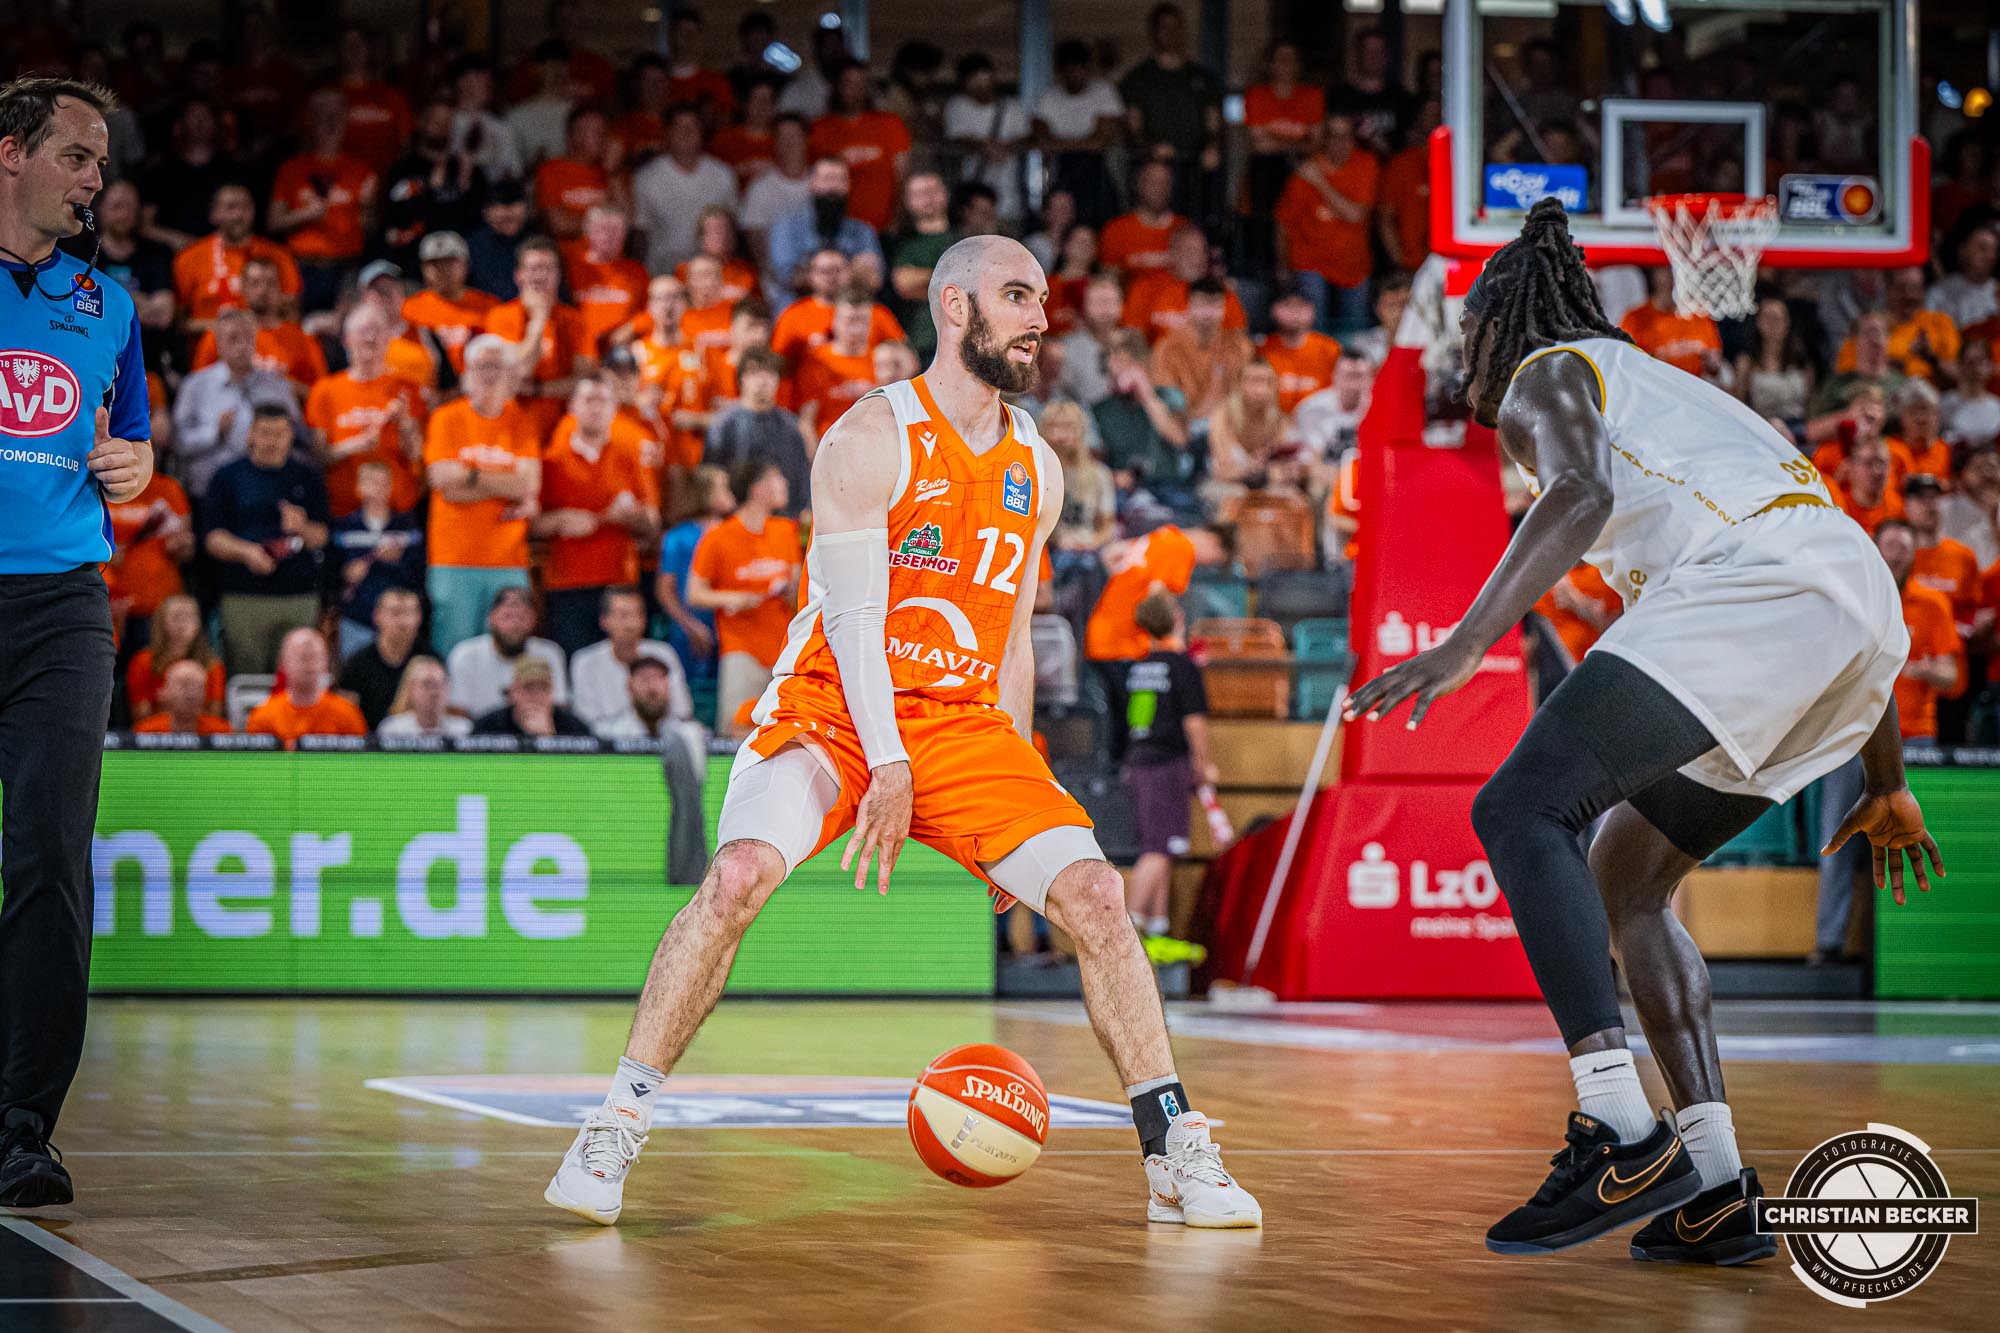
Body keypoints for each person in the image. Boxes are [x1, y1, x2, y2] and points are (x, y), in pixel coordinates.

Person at [545, 233, 1260, 1231]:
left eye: (1041, 300)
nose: (1039, 319)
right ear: (955, 308)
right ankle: (615, 1122)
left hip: (960, 723)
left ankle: (1171, 1147)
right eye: (1016, 297)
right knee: (738, 875)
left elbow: (1012, 639)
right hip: (837, 707)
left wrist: (1012, 781)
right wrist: (886, 762)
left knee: (1097, 895)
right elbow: (850, 623)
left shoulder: (1038, 466)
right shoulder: (868, 437)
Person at [1344, 198, 1942, 1262]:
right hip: (1846, 608)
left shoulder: (1546, 373)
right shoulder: (1682, 402)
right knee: (1628, 878)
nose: (1465, 360)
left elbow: (1577, 491)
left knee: (1521, 807)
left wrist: (1465, 642)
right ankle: (1715, 1186)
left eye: (1468, 334)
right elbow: (1838, 603)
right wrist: (1884, 778)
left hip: (1754, 590)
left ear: (1499, 327)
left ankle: (1618, 1124)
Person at [423, 333, 543, 653]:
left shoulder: (522, 421)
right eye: (482, 366)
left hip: (509, 560)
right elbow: (445, 486)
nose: (489, 374)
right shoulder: (446, 418)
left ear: (511, 374)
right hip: (454, 558)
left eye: (497, 366)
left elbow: (528, 485)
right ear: (466, 372)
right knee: (454, 651)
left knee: (508, 654)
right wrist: (505, 484)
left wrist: (469, 475)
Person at [535, 376, 663, 655]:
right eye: (588, 400)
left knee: (625, 665)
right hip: (567, 584)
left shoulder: (631, 457)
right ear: (572, 406)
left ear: (614, 408)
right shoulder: (551, 461)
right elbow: (532, 524)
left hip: (620, 583)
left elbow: (653, 524)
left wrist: (631, 518)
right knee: (574, 662)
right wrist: (559, 520)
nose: (595, 408)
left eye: (603, 400)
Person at [201, 405, 331, 676]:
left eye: (280, 433)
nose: (272, 440)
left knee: (295, 676)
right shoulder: (227, 477)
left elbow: (322, 536)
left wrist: (302, 528)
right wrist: (247, 552)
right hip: (244, 595)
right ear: (250, 434)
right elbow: (213, 538)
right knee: (246, 676)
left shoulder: (307, 476)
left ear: (291, 435)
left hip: (298, 594)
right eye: (265, 432)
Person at [1121, 591, 1215, 943]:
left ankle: (1157, 930)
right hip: (1167, 765)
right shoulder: (1182, 667)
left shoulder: (1137, 667)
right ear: (1177, 619)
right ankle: (1127, 933)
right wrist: (1204, 764)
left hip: (1138, 762)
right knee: (1159, 850)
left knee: (1161, 847)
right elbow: (1194, 722)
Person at [585, 617, 708, 885]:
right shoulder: (608, 735)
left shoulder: (691, 736)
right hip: (619, 826)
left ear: (669, 686)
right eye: (643, 679)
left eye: (658, 679)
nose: (652, 687)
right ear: (629, 686)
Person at [687, 460, 801, 735]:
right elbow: (694, 593)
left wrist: (791, 590)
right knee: (735, 729)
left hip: (785, 650)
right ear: (757, 488)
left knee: (784, 730)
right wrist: (736, 598)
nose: (785, 484)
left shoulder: (786, 530)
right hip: (741, 648)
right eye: (777, 478)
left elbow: (799, 590)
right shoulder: (719, 536)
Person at [172, 307, 300, 500]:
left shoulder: (278, 387)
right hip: (209, 491)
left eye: (248, 337)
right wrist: (214, 433)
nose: (242, 346)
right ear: (219, 344)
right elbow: (178, 442)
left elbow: (295, 433)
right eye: (233, 338)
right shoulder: (195, 386)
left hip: (268, 490)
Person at [1275, 112, 1379, 336]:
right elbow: (1283, 224)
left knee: (1356, 333)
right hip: (1311, 262)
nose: (1340, 142)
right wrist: (1282, 265)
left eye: (1346, 136)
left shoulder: (1365, 164)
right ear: (1324, 139)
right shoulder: (1303, 174)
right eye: (1333, 135)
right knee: (1312, 332)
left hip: (1352, 262)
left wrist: (1319, 181)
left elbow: (1355, 214)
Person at [326, 459, 423, 656]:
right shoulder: (344, 528)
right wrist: (346, 573)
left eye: (383, 483)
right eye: (372, 482)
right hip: (357, 618)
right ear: (359, 487)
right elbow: (330, 571)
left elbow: (419, 573)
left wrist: (398, 561)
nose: (378, 489)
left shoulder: (407, 527)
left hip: (398, 620)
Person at [631, 105, 738, 274]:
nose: (686, 132)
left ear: (702, 133)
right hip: (662, 271)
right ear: (667, 134)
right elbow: (640, 231)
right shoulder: (646, 177)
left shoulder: (723, 175)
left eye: (692, 126)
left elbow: (732, 229)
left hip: (711, 273)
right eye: (679, 126)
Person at [704, 347, 810, 515]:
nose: (762, 381)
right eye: (754, 373)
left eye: (769, 373)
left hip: (783, 519)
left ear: (778, 380)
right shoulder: (724, 425)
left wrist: (803, 512)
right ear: (741, 379)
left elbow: (800, 477)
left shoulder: (791, 426)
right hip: (736, 518)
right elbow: (712, 476)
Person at [809, 61, 912, 233]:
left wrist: (896, 220)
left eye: (862, 84)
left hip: (883, 228)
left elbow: (903, 177)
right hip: (835, 230)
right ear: (837, 87)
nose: (855, 91)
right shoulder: (819, 128)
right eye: (848, 83)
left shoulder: (891, 123)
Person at [765, 157, 885, 301]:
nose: (832, 187)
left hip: (849, 307)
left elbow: (873, 279)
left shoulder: (862, 231)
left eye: (840, 179)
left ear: (848, 185)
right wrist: (848, 270)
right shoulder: (787, 227)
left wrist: (819, 272)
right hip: (799, 306)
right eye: (827, 178)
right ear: (812, 183)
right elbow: (786, 277)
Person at [447, 584, 570, 718]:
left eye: (522, 617)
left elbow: (559, 706)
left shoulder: (550, 653)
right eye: (507, 616)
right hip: (478, 728)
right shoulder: (465, 654)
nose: (514, 625)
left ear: (533, 620)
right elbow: (457, 712)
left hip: (538, 725)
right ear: (491, 618)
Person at [656, 462, 732, 681]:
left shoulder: (734, 532)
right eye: (723, 488)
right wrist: (690, 625)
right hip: (689, 629)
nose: (730, 494)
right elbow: (665, 590)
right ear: (704, 493)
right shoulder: (678, 537)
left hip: (731, 630)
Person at [245, 627, 368, 748]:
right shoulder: (263, 717)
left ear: (326, 662)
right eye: (302, 657)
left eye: (315, 657)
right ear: (283, 663)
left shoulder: (347, 715)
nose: (310, 664)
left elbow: (360, 757)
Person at [124, 594, 223, 721]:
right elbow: (140, 715)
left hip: (200, 730)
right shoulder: (142, 661)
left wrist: (176, 704)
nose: (182, 625)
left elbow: (215, 714)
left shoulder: (212, 665)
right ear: (161, 623)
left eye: (189, 617)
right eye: (176, 617)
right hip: (157, 730)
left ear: (199, 624)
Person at [1259, 284, 1343, 414]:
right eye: (1287, 305)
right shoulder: (1262, 350)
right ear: (1273, 310)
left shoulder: (1330, 349)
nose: (1295, 312)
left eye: (1301, 306)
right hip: (1272, 420)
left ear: (1313, 311)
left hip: (1319, 420)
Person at [472, 656, 593, 737]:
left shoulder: (574, 729)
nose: (536, 696)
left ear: (552, 692)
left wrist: (549, 740)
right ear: (513, 692)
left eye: (543, 688)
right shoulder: (488, 727)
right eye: (529, 688)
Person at [131, 658, 231, 735]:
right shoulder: (146, 732)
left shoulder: (221, 733)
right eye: (184, 686)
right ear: (165, 692)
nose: (191, 694)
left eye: (198, 687)